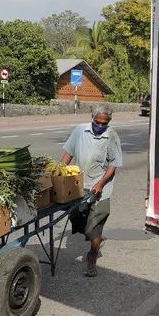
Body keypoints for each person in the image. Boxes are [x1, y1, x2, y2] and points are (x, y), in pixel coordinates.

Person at [60, 103, 123, 276]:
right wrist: (57, 172)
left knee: (96, 225)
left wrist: (101, 183)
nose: (101, 126)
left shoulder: (111, 135)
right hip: (80, 186)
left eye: (105, 123)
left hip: (101, 187)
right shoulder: (80, 131)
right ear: (92, 119)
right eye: (98, 122)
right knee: (75, 217)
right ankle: (93, 236)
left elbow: (113, 164)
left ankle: (92, 257)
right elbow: (68, 154)